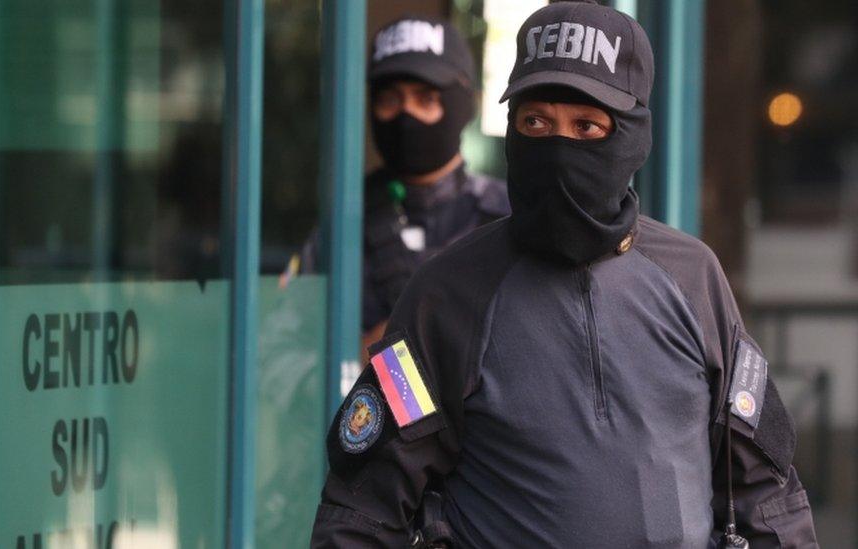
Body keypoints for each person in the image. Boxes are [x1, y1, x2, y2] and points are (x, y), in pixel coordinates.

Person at [310, 2, 818, 548]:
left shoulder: (693, 278)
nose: (558, 147)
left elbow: (766, 496)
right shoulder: (449, 293)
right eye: (536, 122)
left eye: (586, 126)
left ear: (632, 136)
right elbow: (361, 514)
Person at [301, 16, 509, 359]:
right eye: (390, 100)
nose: (405, 114)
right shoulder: (342, 228)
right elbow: (275, 360)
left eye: (425, 99)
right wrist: (355, 358)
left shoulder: (508, 221)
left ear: (461, 104)